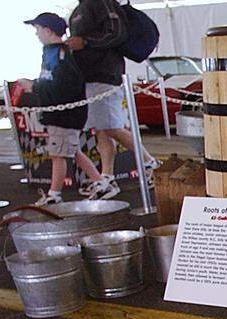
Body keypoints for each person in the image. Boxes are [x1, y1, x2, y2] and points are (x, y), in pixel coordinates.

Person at [66, 0, 158, 200]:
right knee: (102, 129)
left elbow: (117, 33)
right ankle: (107, 177)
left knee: (111, 127)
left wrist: (86, 42)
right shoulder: (79, 10)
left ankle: (151, 163)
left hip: (105, 75)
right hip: (89, 77)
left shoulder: (102, 3)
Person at [16, 13, 103, 206]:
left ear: (48, 31)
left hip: (62, 114)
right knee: (72, 150)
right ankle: (100, 182)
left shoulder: (59, 54)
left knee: (59, 154)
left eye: (38, 29)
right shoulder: (55, 52)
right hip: (60, 113)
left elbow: (61, 84)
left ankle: (54, 194)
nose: (37, 34)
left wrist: (34, 86)